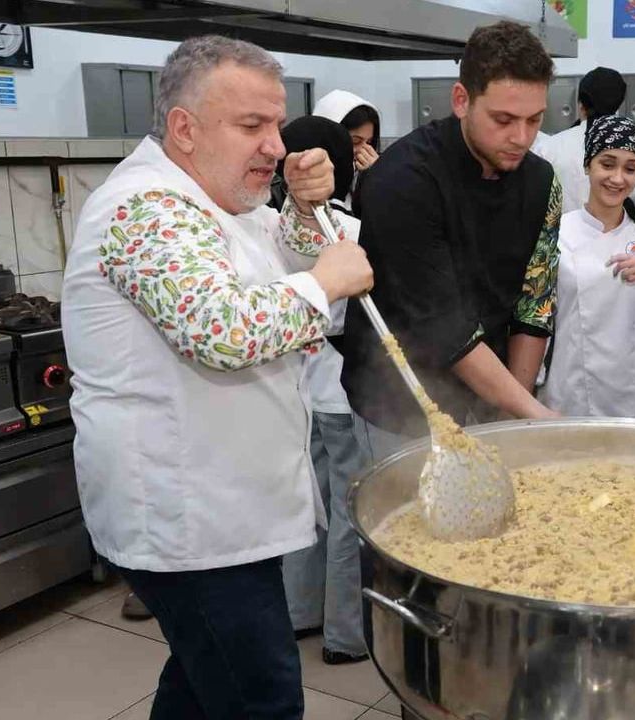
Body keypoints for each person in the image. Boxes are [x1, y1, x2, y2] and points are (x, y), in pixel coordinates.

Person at [62, 35, 372, 719]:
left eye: (277, 124)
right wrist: (325, 286)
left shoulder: (210, 202)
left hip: (227, 510)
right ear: (184, 128)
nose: (276, 145)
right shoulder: (145, 208)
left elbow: (274, 251)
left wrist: (297, 206)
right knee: (259, 698)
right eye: (252, 126)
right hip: (189, 521)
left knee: (202, 687)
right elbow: (221, 329)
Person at [336, 20, 560, 448]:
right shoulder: (401, 179)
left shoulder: (541, 181)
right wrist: (532, 414)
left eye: (535, 120)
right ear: (462, 100)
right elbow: (444, 328)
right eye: (504, 119)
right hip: (398, 401)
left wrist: (512, 410)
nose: (522, 137)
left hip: (491, 388)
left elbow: (535, 303)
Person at [270, 116, 371, 666]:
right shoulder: (345, 231)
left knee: (310, 511)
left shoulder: (276, 225)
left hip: (300, 392)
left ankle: (298, 612)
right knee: (348, 518)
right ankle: (346, 634)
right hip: (339, 394)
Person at [541, 115, 635, 419]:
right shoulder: (558, 232)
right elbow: (538, 319)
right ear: (588, 166)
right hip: (574, 388)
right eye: (607, 164)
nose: (618, 178)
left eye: (630, 168)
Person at [537, 66, 635, 216]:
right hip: (618, 238)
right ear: (619, 106)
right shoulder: (633, 156)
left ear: (581, 105)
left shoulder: (546, 149)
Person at [312, 89, 381, 210]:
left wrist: (378, 177)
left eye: (369, 142)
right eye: (355, 141)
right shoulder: (303, 180)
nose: (363, 150)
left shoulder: (365, 175)